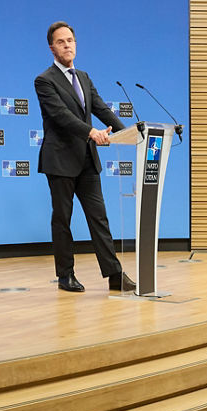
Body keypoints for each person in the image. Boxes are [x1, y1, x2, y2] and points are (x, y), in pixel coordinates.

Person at [34, 21, 136, 294]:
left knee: (99, 218)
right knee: (63, 220)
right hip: (60, 160)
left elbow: (101, 108)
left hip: (87, 160)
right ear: (52, 48)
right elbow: (61, 116)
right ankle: (65, 275)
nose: (67, 45)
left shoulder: (84, 77)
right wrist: (91, 132)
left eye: (70, 40)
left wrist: (129, 133)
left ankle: (115, 275)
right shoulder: (44, 80)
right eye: (61, 42)